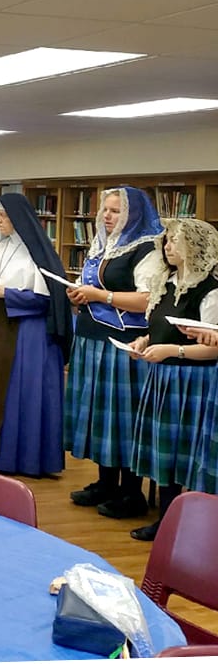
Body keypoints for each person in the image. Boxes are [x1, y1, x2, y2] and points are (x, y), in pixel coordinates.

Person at [64, 186, 163, 518]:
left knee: (122, 418)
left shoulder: (146, 249)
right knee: (98, 415)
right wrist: (80, 295)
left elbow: (148, 299)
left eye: (116, 211)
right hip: (91, 338)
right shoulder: (102, 245)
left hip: (123, 344)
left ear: (133, 215)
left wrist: (99, 296)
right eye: (105, 210)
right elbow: (92, 287)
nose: (107, 216)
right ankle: (105, 482)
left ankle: (131, 492)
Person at [128, 219, 218, 540]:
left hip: (193, 380)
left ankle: (185, 525)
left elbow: (213, 348)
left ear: (195, 247)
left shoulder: (210, 290)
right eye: (166, 241)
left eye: (175, 241)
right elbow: (157, 329)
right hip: (163, 376)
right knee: (163, 452)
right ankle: (166, 521)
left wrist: (173, 351)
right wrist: (144, 341)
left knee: (184, 455)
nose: (168, 247)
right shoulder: (165, 283)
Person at [0, 194, 71, 477]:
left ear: (18, 218)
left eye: (3, 215)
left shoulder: (38, 253)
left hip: (28, 334)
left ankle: (23, 460)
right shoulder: (1, 248)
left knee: (20, 396)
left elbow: (48, 299)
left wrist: (8, 293)